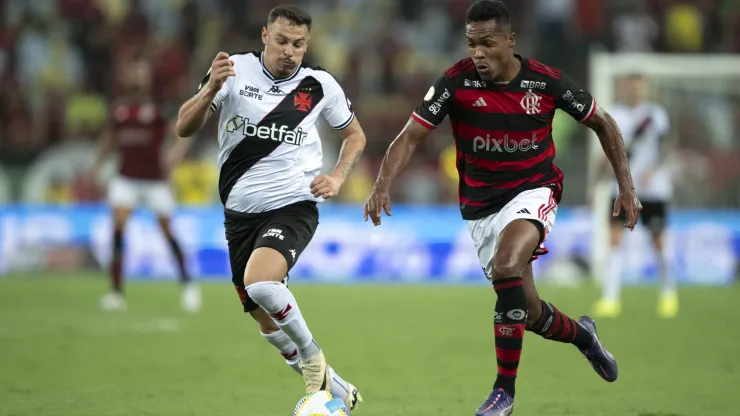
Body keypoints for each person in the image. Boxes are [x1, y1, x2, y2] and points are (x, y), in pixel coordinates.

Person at [364, 1, 641, 415]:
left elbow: (604, 122)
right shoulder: (454, 83)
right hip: (481, 211)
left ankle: (503, 393)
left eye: (487, 43)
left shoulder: (546, 83)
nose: (477, 53)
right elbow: (409, 137)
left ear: (510, 42)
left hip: (535, 190)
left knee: (509, 265)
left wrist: (626, 186)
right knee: (526, 312)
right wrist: (382, 184)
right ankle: (585, 337)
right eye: (471, 43)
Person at [174, 4, 365, 409]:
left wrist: (338, 177)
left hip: (293, 205)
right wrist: (209, 89)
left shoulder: (318, 86)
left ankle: (314, 361)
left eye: (298, 44)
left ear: (306, 44)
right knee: (264, 320)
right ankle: (339, 388)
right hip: (240, 215)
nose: (289, 51)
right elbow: (183, 127)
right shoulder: (233, 70)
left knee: (262, 283)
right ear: (265, 36)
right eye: (281, 41)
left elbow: (355, 135)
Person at [91, 57, 200, 313]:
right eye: (134, 74)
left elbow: (182, 134)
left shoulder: (159, 111)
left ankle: (188, 286)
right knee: (118, 228)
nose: (138, 79)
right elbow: (108, 140)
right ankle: (116, 293)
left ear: (148, 79)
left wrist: (175, 155)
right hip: (126, 178)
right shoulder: (119, 111)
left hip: (155, 181)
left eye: (141, 74)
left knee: (167, 231)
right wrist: (97, 166)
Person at [593, 73, 676, 319]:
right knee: (615, 239)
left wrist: (655, 169)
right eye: (632, 87)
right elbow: (607, 148)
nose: (635, 91)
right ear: (625, 88)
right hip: (621, 188)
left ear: (645, 89)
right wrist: (599, 175)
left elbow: (666, 148)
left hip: (652, 189)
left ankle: (668, 294)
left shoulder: (655, 115)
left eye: (639, 87)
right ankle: (610, 298)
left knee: (658, 240)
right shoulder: (615, 114)